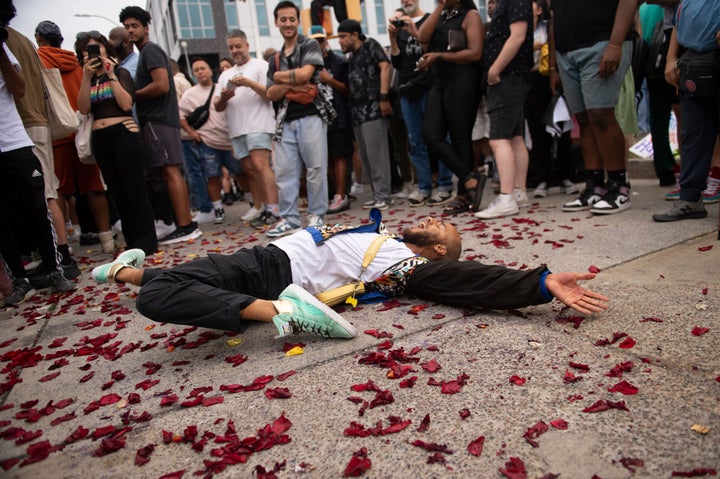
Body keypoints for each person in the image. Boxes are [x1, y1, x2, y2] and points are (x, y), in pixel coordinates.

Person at [91, 213, 608, 338]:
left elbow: (466, 279)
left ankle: (280, 313)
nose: (432, 222)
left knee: (157, 296)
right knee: (170, 280)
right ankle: (124, 271)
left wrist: (538, 284)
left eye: (440, 229)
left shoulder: (403, 263)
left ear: (436, 252)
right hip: (264, 258)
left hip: (271, 271)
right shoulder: (384, 239)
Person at [0, 2, 75, 305]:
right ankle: (19, 280)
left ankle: (57, 268)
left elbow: (19, 88)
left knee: (39, 201)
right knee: (3, 215)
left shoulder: (11, 42)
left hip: (17, 136)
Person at [120, 6, 201, 245]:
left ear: (146, 27)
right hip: (159, 121)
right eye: (127, 27)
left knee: (170, 171)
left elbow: (162, 85)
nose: (130, 30)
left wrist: (133, 94)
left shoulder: (150, 50)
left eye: (135, 25)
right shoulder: (147, 52)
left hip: (158, 120)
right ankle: (185, 223)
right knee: (170, 171)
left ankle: (185, 226)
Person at [549, 0, 636, 215]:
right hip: (566, 49)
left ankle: (619, 186)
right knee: (583, 119)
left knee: (600, 114)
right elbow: (553, 15)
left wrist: (615, 44)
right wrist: (552, 65)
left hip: (602, 41)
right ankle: (595, 185)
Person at [75, 31, 157, 256]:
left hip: (124, 134)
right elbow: (83, 108)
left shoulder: (120, 72)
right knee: (116, 191)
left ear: (105, 48)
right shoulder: (87, 78)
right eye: (86, 49)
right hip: (101, 139)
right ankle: (132, 243)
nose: (92, 53)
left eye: (96, 47)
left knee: (134, 188)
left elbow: (125, 103)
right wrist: (85, 77)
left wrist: (110, 74)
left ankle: (147, 243)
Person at [35, 21, 114, 253]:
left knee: (58, 191)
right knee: (94, 187)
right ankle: (107, 238)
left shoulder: (39, 58)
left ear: (40, 38)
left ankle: (62, 245)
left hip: (58, 132)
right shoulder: (76, 60)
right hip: (82, 128)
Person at [266, 1, 333, 237]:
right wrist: (291, 83)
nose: (287, 23)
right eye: (283, 19)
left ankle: (317, 214)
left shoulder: (310, 44)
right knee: (284, 172)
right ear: (276, 22)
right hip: (284, 119)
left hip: (312, 114)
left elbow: (307, 74)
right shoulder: (274, 58)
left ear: (297, 21)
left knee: (315, 167)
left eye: (291, 19)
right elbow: (270, 92)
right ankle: (290, 218)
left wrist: (279, 79)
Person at [652, 0, 720, 222]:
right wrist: (671, 58)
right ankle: (690, 198)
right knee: (693, 134)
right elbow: (677, 21)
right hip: (693, 60)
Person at [417, 0, 485, 215]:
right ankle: (469, 178)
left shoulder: (470, 15)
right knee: (430, 134)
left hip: (463, 79)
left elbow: (475, 53)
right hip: (440, 80)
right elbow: (422, 37)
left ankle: (463, 195)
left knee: (460, 137)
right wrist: (440, 7)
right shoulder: (442, 15)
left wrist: (440, 56)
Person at [389, 1, 454, 207]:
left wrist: (414, 30)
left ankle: (445, 185)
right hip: (407, 89)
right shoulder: (398, 27)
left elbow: (429, 48)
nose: (407, 1)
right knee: (415, 141)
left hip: (429, 87)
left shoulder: (430, 20)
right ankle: (424, 186)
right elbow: (397, 63)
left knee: (438, 136)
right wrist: (392, 37)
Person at [475, 0, 534, 219]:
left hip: (506, 77)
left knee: (499, 139)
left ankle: (507, 197)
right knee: (515, 137)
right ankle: (517, 193)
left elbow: (518, 35)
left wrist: (494, 70)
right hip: (511, 77)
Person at [215, 30, 279, 228]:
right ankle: (260, 207)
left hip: (259, 124)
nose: (235, 51)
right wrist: (225, 97)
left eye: (238, 46)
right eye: (231, 48)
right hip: (237, 129)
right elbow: (217, 106)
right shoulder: (226, 74)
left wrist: (249, 83)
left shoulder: (261, 65)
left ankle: (274, 210)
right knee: (250, 171)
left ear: (247, 45)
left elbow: (270, 93)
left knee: (261, 166)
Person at [337, 19, 394, 211]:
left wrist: (384, 97)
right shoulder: (352, 57)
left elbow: (385, 66)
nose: (340, 41)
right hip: (357, 113)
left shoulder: (370, 45)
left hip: (373, 109)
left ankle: (384, 196)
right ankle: (376, 194)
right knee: (366, 157)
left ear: (355, 35)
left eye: (343, 37)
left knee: (378, 156)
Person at [524, 0, 578, 199]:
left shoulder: (550, 26)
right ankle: (542, 179)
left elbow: (555, 47)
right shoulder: (519, 27)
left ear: (539, 8)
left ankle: (567, 177)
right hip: (531, 81)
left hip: (553, 78)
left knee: (562, 129)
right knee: (538, 133)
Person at [180, 57, 240, 225]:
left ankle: (252, 203)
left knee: (241, 172)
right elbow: (180, 116)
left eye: (203, 68)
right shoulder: (189, 95)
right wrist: (192, 132)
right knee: (211, 176)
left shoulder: (222, 88)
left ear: (210, 70)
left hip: (228, 140)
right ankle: (217, 208)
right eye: (196, 70)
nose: (200, 72)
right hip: (207, 142)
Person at [310, 26, 353, 214]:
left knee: (339, 155)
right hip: (316, 119)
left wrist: (329, 80)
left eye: (320, 40)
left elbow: (347, 89)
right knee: (324, 158)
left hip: (338, 116)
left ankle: (341, 195)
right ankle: (334, 193)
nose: (318, 44)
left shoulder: (337, 61)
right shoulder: (307, 63)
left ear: (326, 41)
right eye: (314, 41)